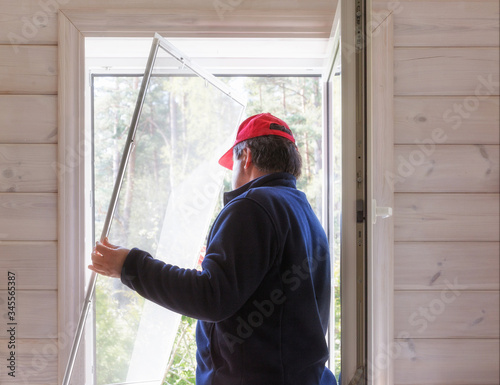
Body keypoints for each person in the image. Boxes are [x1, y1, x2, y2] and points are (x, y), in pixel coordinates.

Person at [90, 113, 336, 385]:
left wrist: (129, 266)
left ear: (246, 157)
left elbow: (211, 297)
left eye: (232, 163)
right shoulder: (304, 213)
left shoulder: (252, 206)